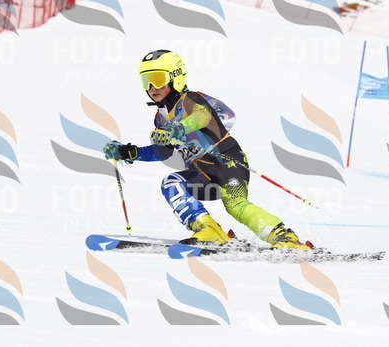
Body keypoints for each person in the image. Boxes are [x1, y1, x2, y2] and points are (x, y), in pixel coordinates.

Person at [103, 50, 311, 249]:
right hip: (201, 173)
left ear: (176, 78)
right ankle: (209, 230)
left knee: (236, 205)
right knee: (171, 183)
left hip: (227, 162)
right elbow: (162, 152)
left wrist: (179, 128)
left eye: (158, 79)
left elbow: (202, 116)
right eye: (145, 80)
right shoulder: (160, 118)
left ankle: (285, 237)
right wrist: (130, 152)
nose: (151, 87)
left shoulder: (190, 100)